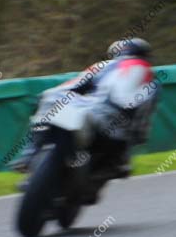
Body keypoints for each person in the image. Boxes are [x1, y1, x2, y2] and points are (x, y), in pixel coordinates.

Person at [15, 38, 158, 177]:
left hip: (85, 113)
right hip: (111, 128)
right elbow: (142, 118)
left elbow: (69, 88)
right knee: (118, 163)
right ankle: (117, 162)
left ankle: (28, 155)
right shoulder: (150, 77)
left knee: (49, 104)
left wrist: (43, 100)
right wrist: (137, 139)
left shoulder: (104, 66)